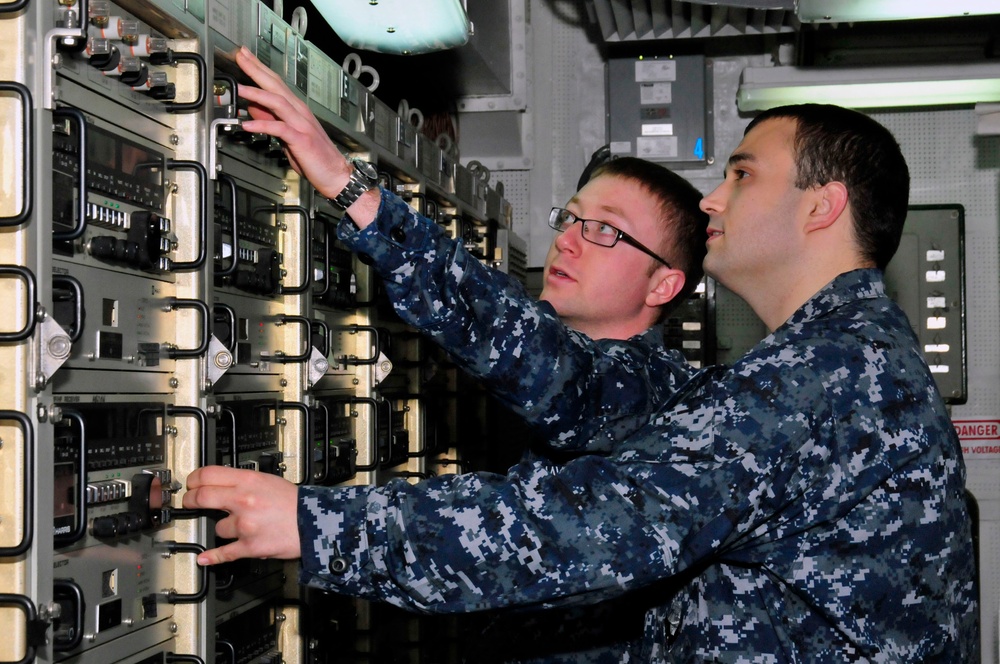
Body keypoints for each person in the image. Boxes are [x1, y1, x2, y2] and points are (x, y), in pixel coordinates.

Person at [184, 47, 979, 661]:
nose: (713, 199)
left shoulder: (827, 377)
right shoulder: (839, 362)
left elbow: (592, 525)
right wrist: (357, 193)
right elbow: (561, 372)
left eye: (743, 173)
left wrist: (319, 524)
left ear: (822, 205)